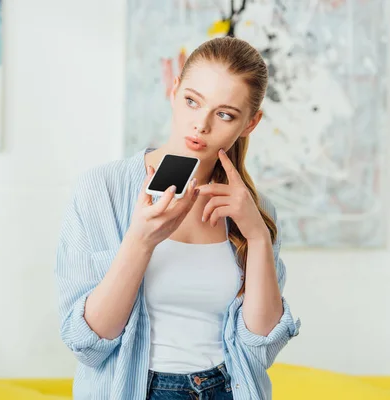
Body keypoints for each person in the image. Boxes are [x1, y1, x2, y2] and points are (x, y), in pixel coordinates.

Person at [54, 36, 300, 400]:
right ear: (174, 92)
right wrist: (140, 241)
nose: (200, 125)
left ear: (250, 124)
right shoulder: (101, 189)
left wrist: (258, 236)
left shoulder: (253, 209)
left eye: (224, 114)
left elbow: (261, 349)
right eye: (192, 101)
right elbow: (86, 344)